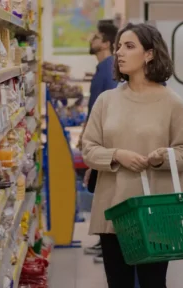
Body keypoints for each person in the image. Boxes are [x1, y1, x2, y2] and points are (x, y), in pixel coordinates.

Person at [80, 23, 183, 288]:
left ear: (149, 54)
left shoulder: (172, 103)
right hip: (115, 211)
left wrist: (160, 158)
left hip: (154, 213)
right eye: (119, 46)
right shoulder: (106, 101)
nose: (119, 52)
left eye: (129, 46)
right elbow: (89, 149)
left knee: (153, 283)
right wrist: (117, 155)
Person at [80, 20, 119, 263]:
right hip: (99, 141)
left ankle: (108, 244)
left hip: (103, 144)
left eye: (95, 37)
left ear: (105, 43)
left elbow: (101, 111)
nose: (91, 41)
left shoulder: (108, 69)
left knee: (104, 191)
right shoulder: (102, 69)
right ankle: (103, 242)